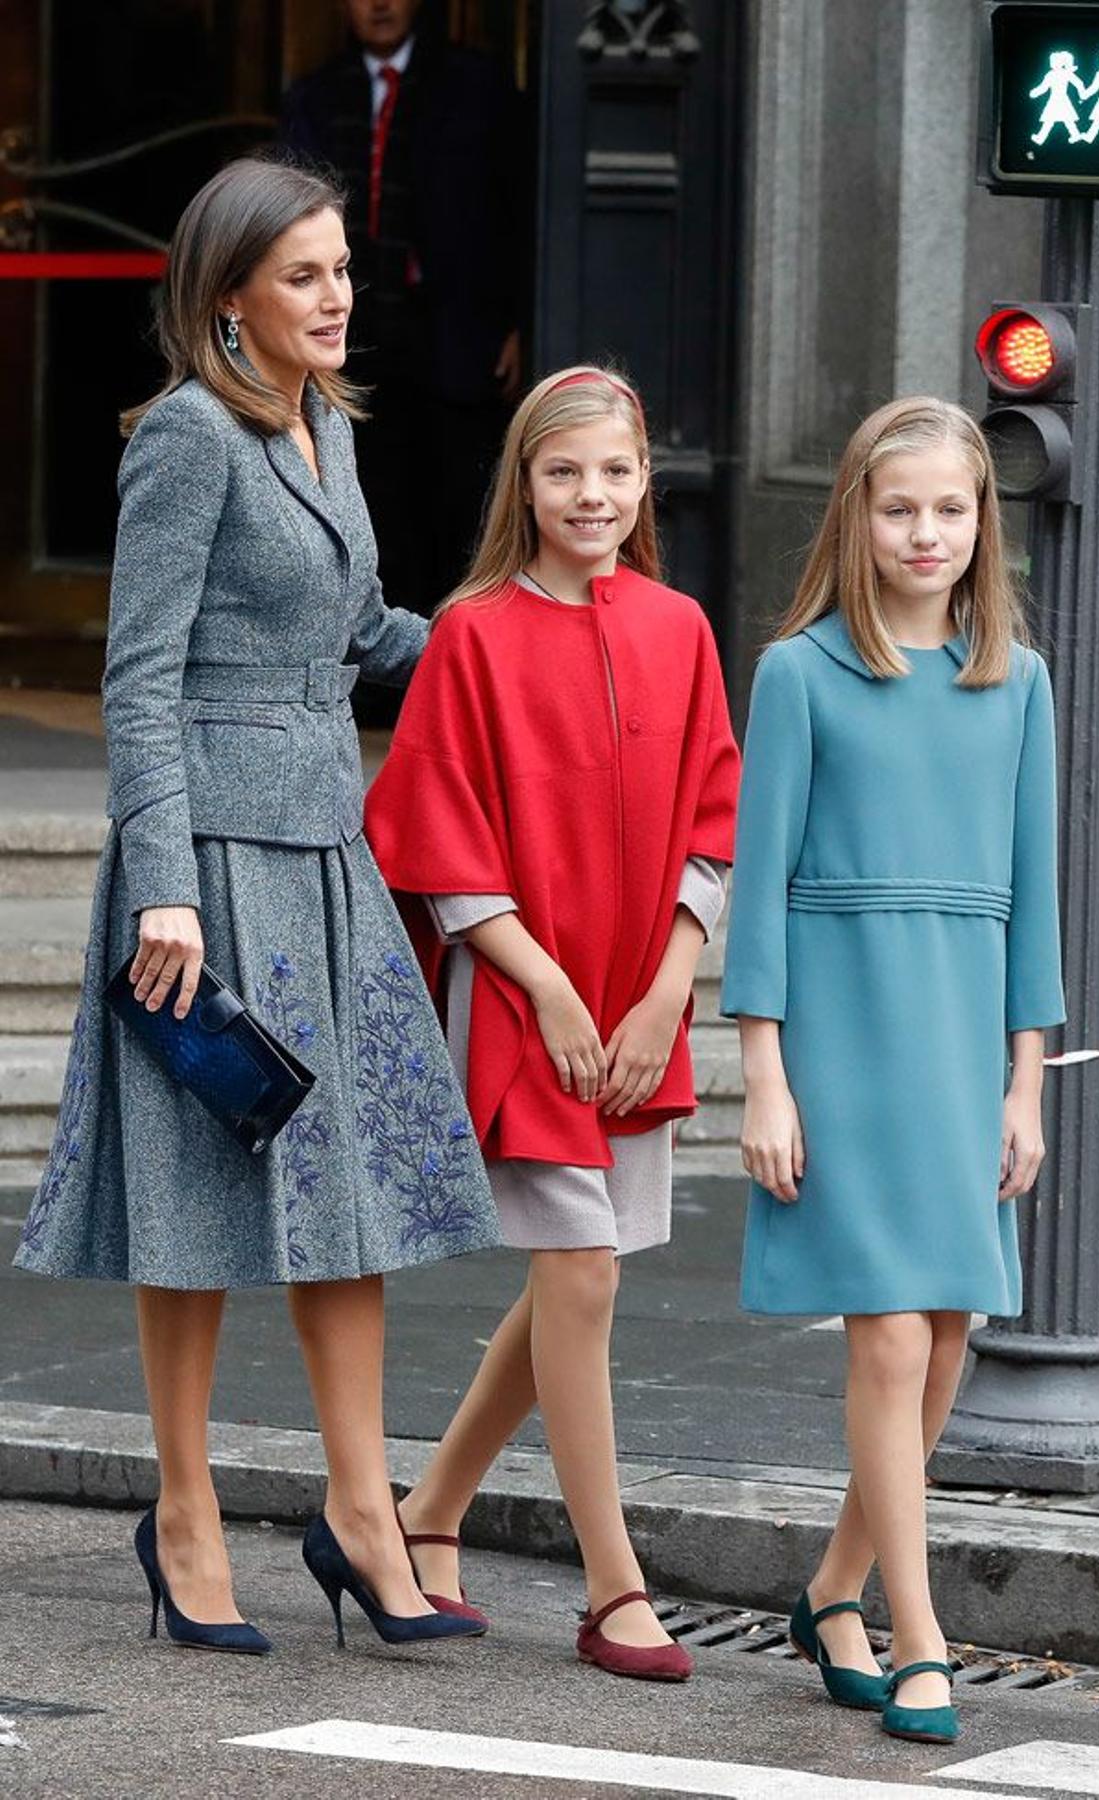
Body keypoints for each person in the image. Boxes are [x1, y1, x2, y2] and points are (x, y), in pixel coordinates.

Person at [14, 155, 500, 1656]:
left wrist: (502, 635)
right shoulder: (185, 438)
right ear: (227, 294)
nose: (336, 295)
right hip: (209, 873)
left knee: (342, 1201)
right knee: (202, 1205)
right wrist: (163, 889)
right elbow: (136, 676)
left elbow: (356, 635)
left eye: (343, 268)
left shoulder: (319, 426)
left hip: (324, 853)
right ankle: (183, 1516)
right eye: (302, 274)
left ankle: (364, 1517)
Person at [363, 366, 740, 1680]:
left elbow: (712, 819)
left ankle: (427, 1515)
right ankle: (611, 1585)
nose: (592, 495)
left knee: (576, 1275)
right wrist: (553, 987)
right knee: (582, 1271)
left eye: (617, 473)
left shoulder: (682, 629)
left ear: (646, 487)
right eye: (564, 471)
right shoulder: (469, 633)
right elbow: (435, 834)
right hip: (527, 994)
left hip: (641, 1001)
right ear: (523, 482)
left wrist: (664, 990)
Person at [721, 397, 1064, 1745]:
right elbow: (760, 891)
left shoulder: (1016, 684)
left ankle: (833, 1590)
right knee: (889, 1334)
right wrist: (763, 1074)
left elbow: (1036, 901)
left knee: (950, 1338)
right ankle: (919, 1636)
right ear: (856, 518)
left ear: (983, 524)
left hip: (961, 1041)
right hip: (843, 1037)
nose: (927, 531)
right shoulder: (800, 673)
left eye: (952, 508)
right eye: (900, 507)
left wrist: (1025, 1086)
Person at [280, 0, 530, 623]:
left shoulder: (478, 87)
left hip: (455, 334)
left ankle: (450, 664)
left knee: (457, 507)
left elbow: (521, 208)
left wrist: (521, 319)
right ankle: (372, 682)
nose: (381, 4)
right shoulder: (313, 96)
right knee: (369, 503)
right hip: (351, 338)